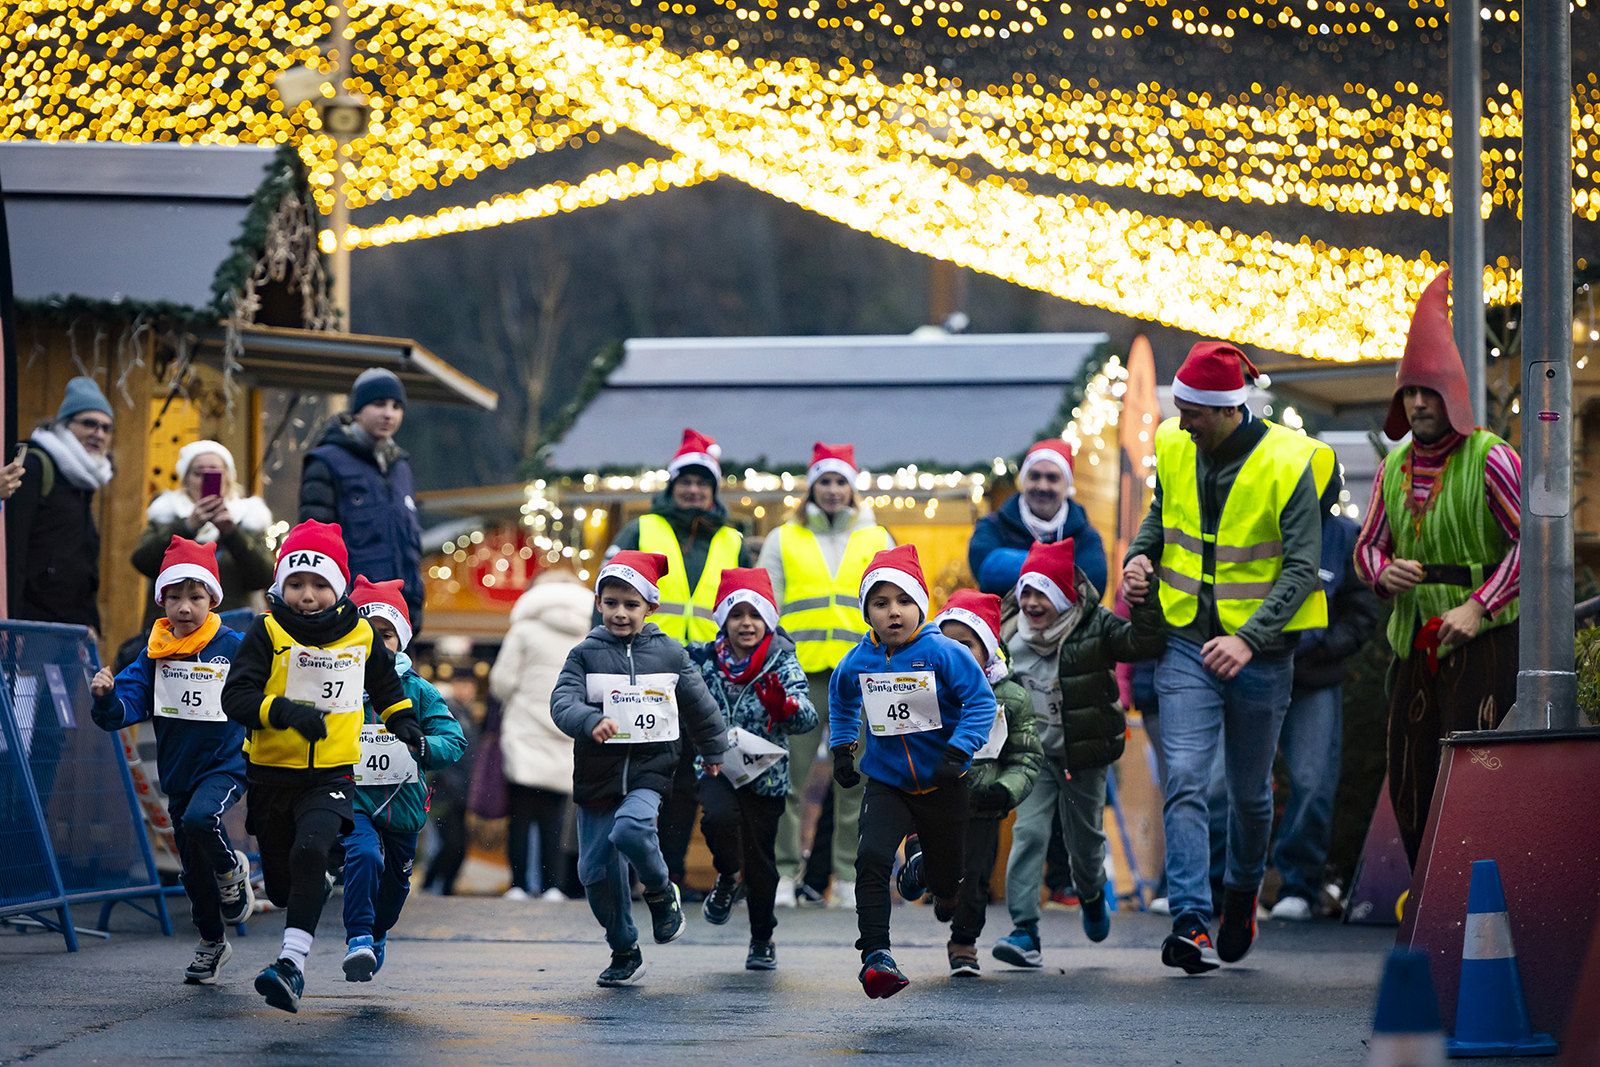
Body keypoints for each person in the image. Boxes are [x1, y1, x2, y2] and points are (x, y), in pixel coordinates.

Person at [1123, 341, 1334, 975]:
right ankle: (1190, 920)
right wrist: (1139, 556)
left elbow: (1302, 569)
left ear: (1225, 411)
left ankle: (1240, 896)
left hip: (1261, 656)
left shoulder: (1292, 463)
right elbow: (1163, 514)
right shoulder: (1173, 442)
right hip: (1186, 641)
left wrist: (1249, 639)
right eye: (1178, 408)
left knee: (1248, 794)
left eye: (1191, 411)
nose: (1180, 420)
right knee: (1187, 777)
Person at [1353, 270, 1521, 869]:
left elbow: (1535, 548)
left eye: (1428, 391)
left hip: (1487, 646)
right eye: (1410, 393)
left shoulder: (1492, 460)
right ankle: (1430, 899)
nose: (1418, 403)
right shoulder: (1393, 467)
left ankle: (1481, 901)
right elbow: (1368, 545)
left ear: (1450, 392)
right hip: (1414, 649)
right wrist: (1382, 572)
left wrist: (1481, 606)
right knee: (1411, 774)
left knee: (1478, 774)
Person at [221, 519, 420, 1012]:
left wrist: (404, 722)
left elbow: (386, 686)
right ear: (280, 586)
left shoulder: (360, 635)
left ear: (337, 587)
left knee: (311, 849)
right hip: (270, 774)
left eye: (318, 584)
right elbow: (236, 697)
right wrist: (284, 713)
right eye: (295, 584)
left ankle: (291, 964)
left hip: (331, 775)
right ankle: (312, 873)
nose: (306, 595)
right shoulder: (266, 631)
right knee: (287, 885)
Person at [548, 551, 729, 987]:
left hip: (652, 768)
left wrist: (714, 749)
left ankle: (660, 892)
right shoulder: (585, 654)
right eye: (611, 603)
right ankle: (624, 947)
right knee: (594, 872)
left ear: (651, 607)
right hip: (598, 773)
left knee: (631, 827)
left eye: (631, 604)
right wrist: (590, 721)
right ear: (598, 603)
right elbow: (562, 701)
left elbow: (700, 705)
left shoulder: (669, 653)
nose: (620, 613)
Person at [828, 544, 994, 999]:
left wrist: (959, 751)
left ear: (920, 605)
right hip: (888, 783)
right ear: (867, 613)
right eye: (880, 604)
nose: (894, 613)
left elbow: (981, 702)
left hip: (944, 781)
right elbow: (841, 699)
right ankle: (875, 956)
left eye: (903, 601)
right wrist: (843, 747)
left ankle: (928, 870)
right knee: (872, 859)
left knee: (946, 886)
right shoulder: (858, 659)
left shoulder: (943, 652)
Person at [992, 539, 1165, 968]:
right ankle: (1024, 931)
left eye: (1043, 594)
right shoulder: (1008, 631)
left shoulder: (1095, 626)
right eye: (1026, 592)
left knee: (1084, 844)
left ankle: (1090, 892)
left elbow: (1144, 643)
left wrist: (1143, 600)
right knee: (1029, 834)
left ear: (1064, 597)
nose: (1032, 603)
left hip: (1083, 755)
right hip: (1032, 756)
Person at [88, 537, 254, 984]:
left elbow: (266, 681)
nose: (184, 607)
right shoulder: (155, 652)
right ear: (161, 599)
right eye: (175, 596)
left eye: (195, 597)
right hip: (179, 772)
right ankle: (212, 942)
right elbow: (126, 705)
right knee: (191, 866)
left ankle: (231, 870)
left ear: (212, 600)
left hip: (226, 763)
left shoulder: (234, 645)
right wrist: (105, 697)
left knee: (203, 820)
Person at [605, 428, 750, 894]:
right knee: (641, 772)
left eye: (702, 483)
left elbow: (748, 604)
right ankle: (633, 870)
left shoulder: (733, 540)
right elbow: (608, 597)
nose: (693, 489)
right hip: (643, 667)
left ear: (713, 491)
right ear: (672, 485)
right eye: (685, 481)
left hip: (703, 675)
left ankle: (669, 874)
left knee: (687, 780)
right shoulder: (641, 529)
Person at [757, 442, 892, 909]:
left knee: (852, 777)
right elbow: (765, 603)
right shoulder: (783, 538)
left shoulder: (878, 539)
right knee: (787, 776)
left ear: (852, 489)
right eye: (825, 481)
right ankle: (784, 874)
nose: (833, 490)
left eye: (841, 482)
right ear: (812, 486)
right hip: (800, 670)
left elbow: (899, 602)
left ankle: (847, 877)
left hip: (860, 672)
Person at [340, 577, 468, 982]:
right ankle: (358, 937)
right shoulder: (338, 684)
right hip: (354, 799)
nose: (376, 644)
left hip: (404, 806)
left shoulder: (420, 691)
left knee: (395, 887)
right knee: (363, 856)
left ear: (402, 639)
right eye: (366, 633)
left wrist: (425, 747)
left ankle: (377, 933)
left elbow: (454, 739)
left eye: (386, 634)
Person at [1267, 471, 1381, 920]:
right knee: (1230, 782)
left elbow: (1363, 609)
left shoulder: (1345, 537)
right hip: (1253, 669)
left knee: (1314, 782)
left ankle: (1298, 885)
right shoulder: (1261, 528)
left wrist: (1325, 645)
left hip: (1315, 678)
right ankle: (1220, 883)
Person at [690, 568, 817, 969]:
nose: (746, 623)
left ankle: (762, 939)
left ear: (768, 621)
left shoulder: (783, 658)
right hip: (716, 767)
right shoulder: (703, 659)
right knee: (717, 820)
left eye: (755, 614)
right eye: (737, 614)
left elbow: (807, 717)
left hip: (766, 775)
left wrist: (786, 707)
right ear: (723, 620)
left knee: (762, 862)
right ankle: (728, 877)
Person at [932, 589, 1043, 978]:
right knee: (939, 872)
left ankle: (963, 943)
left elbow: (1026, 756)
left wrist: (1006, 789)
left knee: (976, 879)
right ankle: (940, 891)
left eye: (967, 645)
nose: (957, 655)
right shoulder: (926, 688)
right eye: (948, 646)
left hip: (982, 804)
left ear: (989, 650)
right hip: (930, 799)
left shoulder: (1010, 697)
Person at [299, 368, 425, 632]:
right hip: (350, 615)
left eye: (396, 406)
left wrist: (414, 608)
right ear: (357, 409)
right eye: (379, 404)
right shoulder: (326, 462)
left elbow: (409, 547)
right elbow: (316, 546)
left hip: (399, 617)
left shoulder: (400, 467)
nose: (389, 414)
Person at [490, 570, 591, 899]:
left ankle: (519, 884)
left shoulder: (524, 630)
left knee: (521, 815)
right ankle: (552, 886)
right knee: (555, 818)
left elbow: (502, 681)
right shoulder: (586, 632)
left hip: (525, 731)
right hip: (565, 731)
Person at [7, 376, 116, 630]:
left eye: (106, 428)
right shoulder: (35, 466)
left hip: (70, 625)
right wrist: (11, 623)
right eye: (89, 424)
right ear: (66, 424)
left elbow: (83, 560)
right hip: (31, 624)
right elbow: (14, 549)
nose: (98, 434)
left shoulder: (84, 480)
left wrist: (91, 622)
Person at [131, 439, 276, 629]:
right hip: (172, 630)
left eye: (214, 472)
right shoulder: (166, 514)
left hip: (231, 630)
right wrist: (188, 527)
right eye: (198, 473)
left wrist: (231, 533)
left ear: (228, 477)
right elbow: (143, 562)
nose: (204, 479)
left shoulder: (249, 517)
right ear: (186, 478)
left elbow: (264, 577)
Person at [968, 437, 1108, 599]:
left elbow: (1092, 588)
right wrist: (1063, 570)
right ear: (1023, 480)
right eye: (1035, 476)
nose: (1042, 486)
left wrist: (1013, 565)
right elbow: (986, 568)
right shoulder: (992, 526)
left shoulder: (1086, 537)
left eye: (1052, 478)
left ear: (1067, 485)